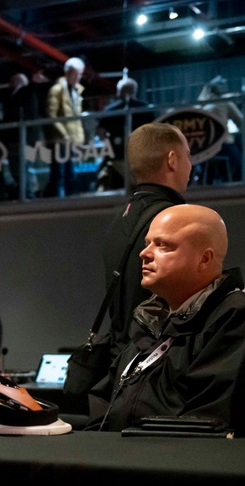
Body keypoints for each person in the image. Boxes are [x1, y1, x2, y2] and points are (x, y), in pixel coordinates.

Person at [90, 204, 245, 438]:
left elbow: (209, 423)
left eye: (163, 245)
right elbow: (105, 400)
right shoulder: (152, 322)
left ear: (204, 259)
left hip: (178, 467)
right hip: (125, 461)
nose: (145, 253)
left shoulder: (240, 321)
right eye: (147, 243)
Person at [102, 122, 192, 360]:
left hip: (120, 361)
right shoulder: (176, 219)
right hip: (158, 361)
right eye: (187, 156)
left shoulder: (120, 219)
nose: (190, 166)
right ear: (172, 160)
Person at [95, 76, 156, 191]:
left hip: (116, 158)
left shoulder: (110, 110)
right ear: (135, 91)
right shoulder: (146, 109)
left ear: (119, 92)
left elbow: (101, 132)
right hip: (141, 158)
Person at [44, 57, 85, 197]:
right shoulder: (57, 90)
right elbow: (52, 115)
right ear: (68, 72)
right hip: (60, 140)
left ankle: (69, 201)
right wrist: (65, 135)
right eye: (77, 73)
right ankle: (58, 203)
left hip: (70, 141)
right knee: (59, 173)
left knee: (70, 173)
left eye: (80, 73)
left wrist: (78, 139)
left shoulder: (76, 91)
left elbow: (76, 119)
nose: (79, 77)